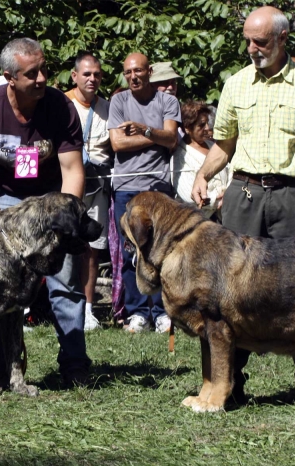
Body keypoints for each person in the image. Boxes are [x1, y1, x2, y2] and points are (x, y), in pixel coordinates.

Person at [191, 6, 295, 405]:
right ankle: (229, 383)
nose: (252, 48)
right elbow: (225, 143)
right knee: (230, 290)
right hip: (245, 194)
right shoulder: (235, 84)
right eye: (248, 41)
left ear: (283, 39)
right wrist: (203, 173)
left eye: (261, 41)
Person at [0, 37, 90, 387]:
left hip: (51, 200)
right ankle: (7, 369)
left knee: (66, 281)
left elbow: (73, 169)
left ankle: (74, 364)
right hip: (3, 202)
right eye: (33, 73)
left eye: (44, 69)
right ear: (10, 77)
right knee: (2, 287)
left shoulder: (61, 107)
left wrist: (67, 219)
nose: (43, 78)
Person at [108, 52, 180, 334]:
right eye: (127, 73)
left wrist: (144, 129)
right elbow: (117, 144)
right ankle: (138, 312)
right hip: (126, 187)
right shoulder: (119, 101)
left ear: (149, 71)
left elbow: (172, 137)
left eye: (137, 71)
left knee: (162, 251)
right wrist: (153, 136)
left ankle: (163, 312)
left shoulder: (167, 101)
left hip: (158, 187)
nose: (132, 77)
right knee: (131, 253)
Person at [64, 51, 112, 331]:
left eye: (96, 74)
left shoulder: (108, 107)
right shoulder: (61, 104)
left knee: (92, 249)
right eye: (86, 74)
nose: (92, 79)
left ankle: (88, 309)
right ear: (74, 76)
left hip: (98, 186)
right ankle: (61, 305)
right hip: (67, 186)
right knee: (63, 246)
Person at [173, 100, 229, 218]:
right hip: (202, 219)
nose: (208, 128)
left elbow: (229, 169)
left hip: (225, 213)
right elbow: (187, 194)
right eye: (201, 125)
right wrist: (216, 200)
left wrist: (228, 195)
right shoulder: (180, 157)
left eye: (207, 123)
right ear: (187, 128)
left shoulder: (213, 146)